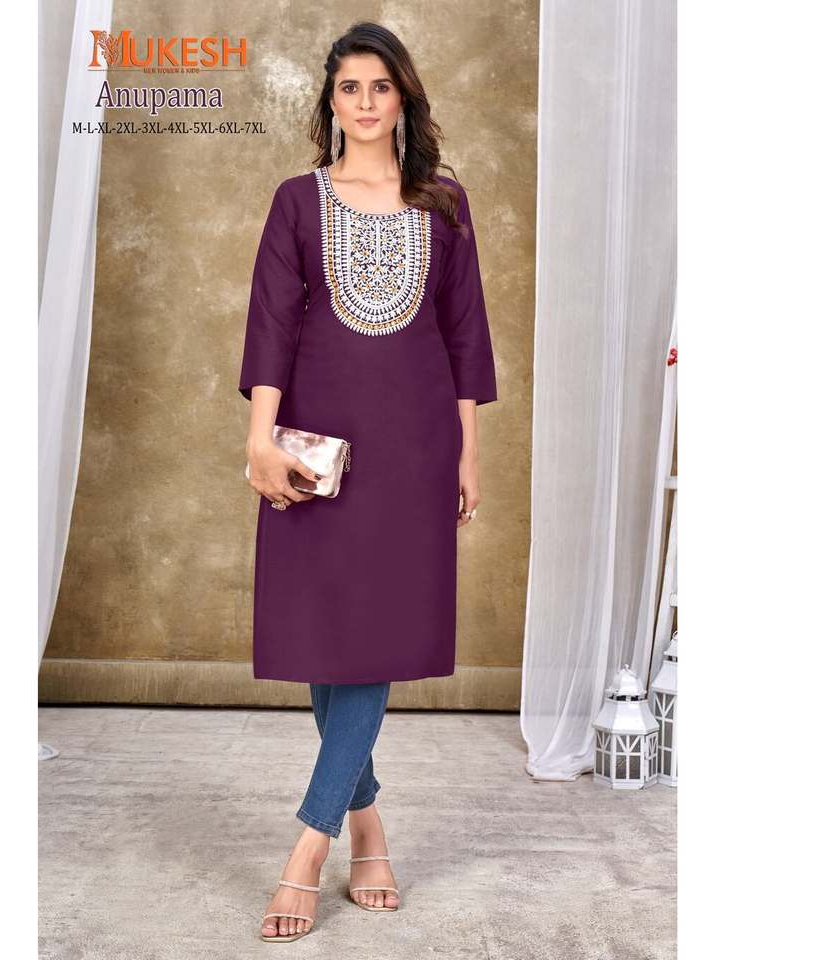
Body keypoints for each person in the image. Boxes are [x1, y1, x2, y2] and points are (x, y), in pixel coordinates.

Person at [238, 21, 498, 943]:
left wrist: (467, 452)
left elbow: (466, 335)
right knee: (328, 641)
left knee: (374, 640)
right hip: (321, 446)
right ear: (330, 100)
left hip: (417, 445)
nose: (364, 102)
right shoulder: (298, 202)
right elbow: (272, 325)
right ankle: (369, 824)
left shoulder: (444, 204)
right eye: (348, 87)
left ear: (403, 98)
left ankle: (309, 848)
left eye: (379, 86)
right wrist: (259, 440)